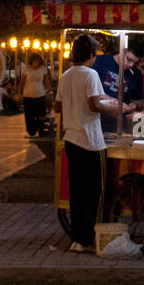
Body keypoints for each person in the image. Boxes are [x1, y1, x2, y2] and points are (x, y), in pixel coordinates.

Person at [55, 33, 133, 253]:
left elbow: (57, 107)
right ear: (91, 55)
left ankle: (77, 238)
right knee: (97, 193)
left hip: (70, 139)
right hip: (90, 142)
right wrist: (116, 109)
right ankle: (91, 237)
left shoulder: (66, 75)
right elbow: (93, 105)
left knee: (77, 192)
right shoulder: (90, 74)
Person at [94, 41, 144, 134]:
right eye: (130, 59)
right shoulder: (100, 62)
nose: (131, 65)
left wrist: (134, 105)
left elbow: (139, 101)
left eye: (135, 63)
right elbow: (92, 91)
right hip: (96, 119)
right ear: (123, 51)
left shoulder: (136, 74)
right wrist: (116, 102)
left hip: (119, 124)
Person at [20, 52, 52, 138]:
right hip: (28, 96)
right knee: (29, 115)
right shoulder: (27, 69)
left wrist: (50, 92)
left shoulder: (42, 69)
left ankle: (41, 131)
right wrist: (19, 93)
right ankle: (31, 132)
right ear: (31, 61)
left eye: (37, 62)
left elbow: (46, 81)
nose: (36, 64)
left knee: (41, 115)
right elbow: (22, 82)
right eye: (34, 62)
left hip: (40, 95)